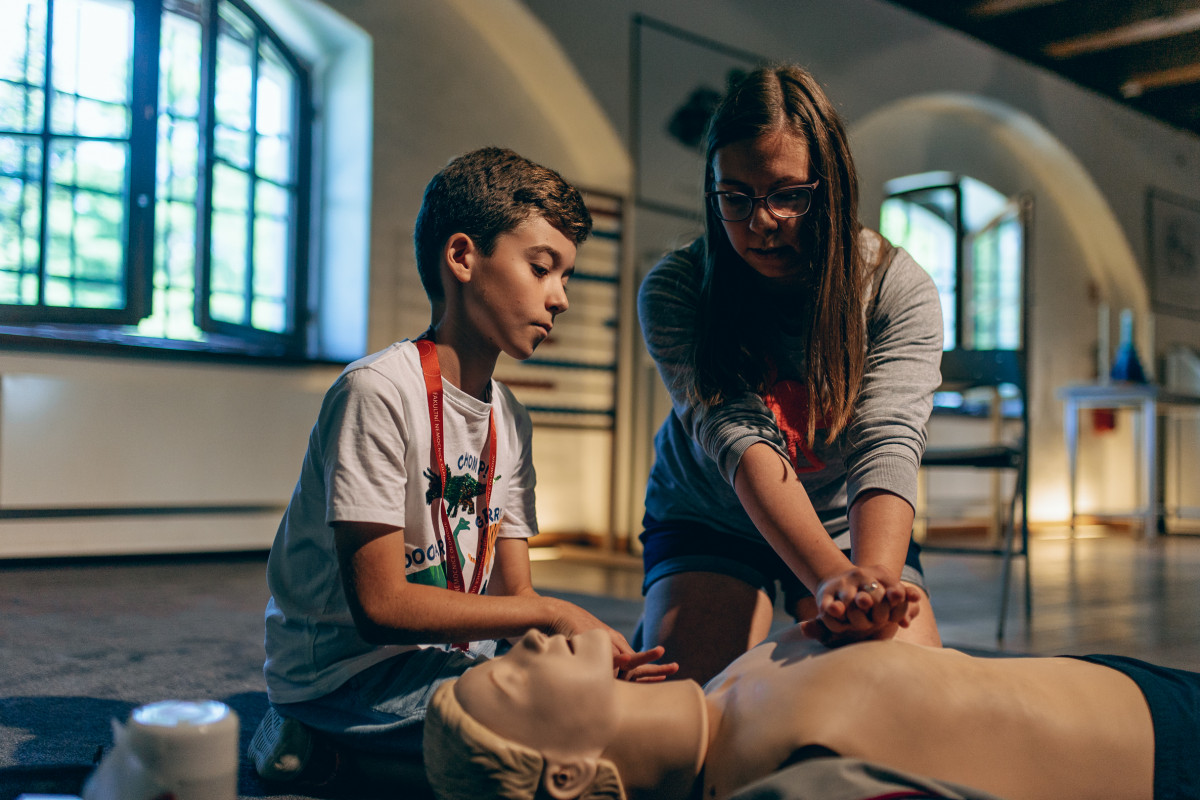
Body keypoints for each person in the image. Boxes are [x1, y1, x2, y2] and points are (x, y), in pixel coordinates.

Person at [248, 147, 669, 786]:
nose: (560, 299)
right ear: (463, 257)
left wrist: (581, 652)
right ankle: (312, 735)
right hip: (347, 676)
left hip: (454, 658)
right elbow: (381, 606)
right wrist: (552, 617)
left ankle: (357, 760)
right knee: (579, 742)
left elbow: (514, 596)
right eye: (541, 268)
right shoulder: (376, 392)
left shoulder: (511, 417)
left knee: (616, 706)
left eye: (567, 277)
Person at [636, 62, 944, 682]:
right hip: (711, 512)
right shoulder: (675, 290)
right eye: (735, 196)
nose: (760, 222)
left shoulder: (894, 287)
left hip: (847, 517)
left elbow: (887, 441)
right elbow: (740, 438)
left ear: (828, 188)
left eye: (787, 195)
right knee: (680, 705)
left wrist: (872, 582)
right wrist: (831, 578)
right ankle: (661, 622)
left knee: (900, 688)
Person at [423, 624, 1200, 800]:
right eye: (513, 682)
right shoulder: (785, 785)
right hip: (1167, 753)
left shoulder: (729, 684)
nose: (522, 638)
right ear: (566, 775)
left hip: (1133, 686)